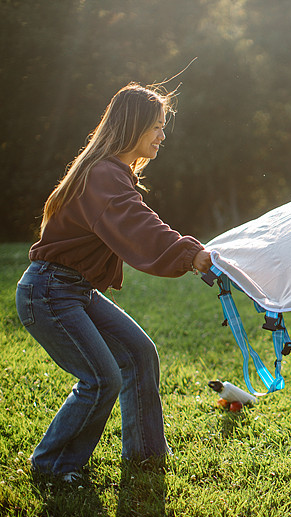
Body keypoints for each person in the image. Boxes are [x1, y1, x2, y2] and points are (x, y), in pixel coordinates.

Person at [16, 82, 213, 482]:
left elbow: (137, 221)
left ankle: (145, 454)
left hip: (72, 290)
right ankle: (52, 466)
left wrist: (190, 252)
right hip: (50, 291)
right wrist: (189, 255)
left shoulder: (111, 172)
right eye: (156, 126)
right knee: (100, 377)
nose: (162, 135)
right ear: (133, 126)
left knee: (139, 353)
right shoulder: (104, 175)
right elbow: (138, 226)